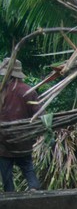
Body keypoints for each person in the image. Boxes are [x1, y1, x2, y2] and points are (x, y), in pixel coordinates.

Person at [0, 57, 42, 192]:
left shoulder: (2, 91)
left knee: (7, 178)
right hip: (23, 140)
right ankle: (34, 191)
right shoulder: (29, 91)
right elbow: (39, 116)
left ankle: (10, 201)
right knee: (28, 169)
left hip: (3, 142)